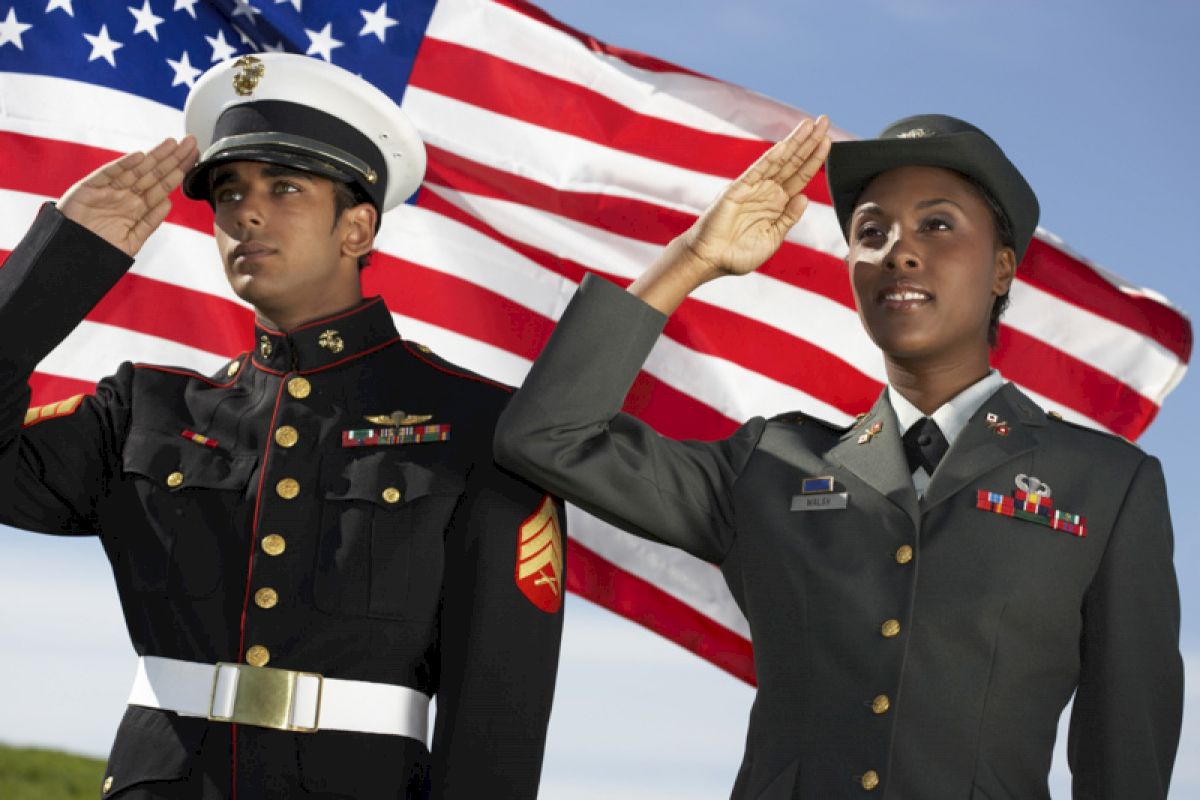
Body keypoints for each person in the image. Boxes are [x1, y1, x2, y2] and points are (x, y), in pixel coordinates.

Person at [495, 114, 1182, 797]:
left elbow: (1127, 757)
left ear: (1003, 266)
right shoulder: (770, 464)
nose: (898, 252)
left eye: (937, 225)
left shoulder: (1105, 485)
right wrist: (691, 260)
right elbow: (548, 438)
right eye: (872, 233)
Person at [0, 54, 564, 798]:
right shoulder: (144, 411)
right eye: (229, 192)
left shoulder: (479, 426)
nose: (247, 212)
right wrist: (58, 264)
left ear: (358, 226)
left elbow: (498, 716)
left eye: (285, 188)